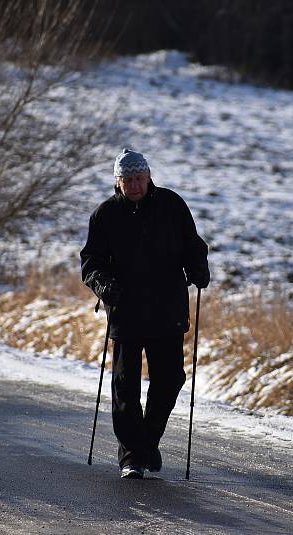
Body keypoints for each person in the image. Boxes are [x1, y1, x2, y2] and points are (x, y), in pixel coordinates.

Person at [80, 149, 210, 479]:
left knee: (169, 380)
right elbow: (91, 263)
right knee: (126, 385)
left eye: (140, 178)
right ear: (118, 182)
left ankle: (147, 443)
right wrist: (104, 286)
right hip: (126, 310)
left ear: (149, 177)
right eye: (128, 180)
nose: (135, 185)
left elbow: (193, 245)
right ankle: (131, 459)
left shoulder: (172, 205)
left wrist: (198, 268)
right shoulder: (105, 215)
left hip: (167, 307)